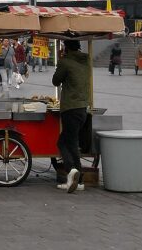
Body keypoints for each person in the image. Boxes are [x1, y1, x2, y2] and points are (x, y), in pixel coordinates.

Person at [52, 40, 90, 193]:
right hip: (82, 108)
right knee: (72, 142)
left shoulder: (65, 62)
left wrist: (61, 61)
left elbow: (55, 81)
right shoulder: (86, 61)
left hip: (70, 108)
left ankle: (72, 171)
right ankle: (77, 181)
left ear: (66, 48)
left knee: (64, 143)